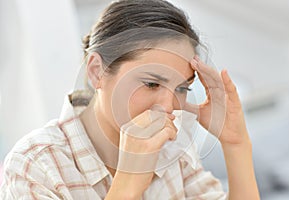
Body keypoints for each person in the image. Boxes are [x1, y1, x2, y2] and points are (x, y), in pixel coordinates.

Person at [0, 0, 260, 199]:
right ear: (96, 71)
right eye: (151, 83)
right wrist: (129, 182)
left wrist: (236, 143)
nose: (168, 107)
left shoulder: (173, 148)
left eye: (182, 88)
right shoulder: (35, 165)